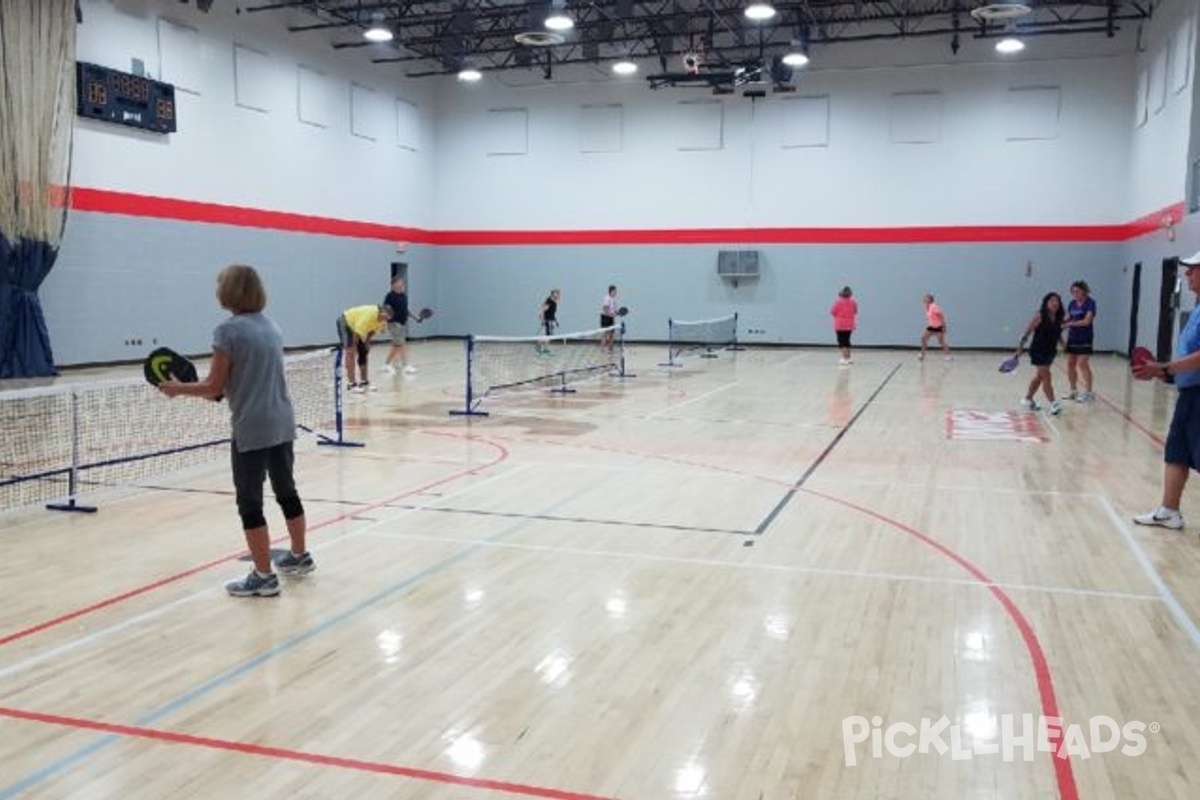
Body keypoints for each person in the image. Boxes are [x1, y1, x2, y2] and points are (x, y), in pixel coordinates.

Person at [158, 264, 314, 598]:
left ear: (229, 291)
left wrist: (178, 389)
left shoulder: (226, 332)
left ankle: (263, 576)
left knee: (250, 502)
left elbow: (214, 384)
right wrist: (217, 390)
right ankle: (299, 556)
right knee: (286, 490)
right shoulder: (272, 327)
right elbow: (237, 382)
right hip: (283, 421)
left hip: (252, 427)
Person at [1133, 252, 1200, 530]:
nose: (1187, 275)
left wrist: (1166, 367)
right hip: (1189, 393)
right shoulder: (1197, 308)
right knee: (1176, 453)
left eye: (1192, 270)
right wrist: (1166, 374)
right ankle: (1169, 511)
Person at [1016, 291, 1065, 415]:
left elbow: (1058, 334)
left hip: (1050, 351)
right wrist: (1019, 349)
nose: (1054, 303)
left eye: (1057, 300)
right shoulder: (1040, 316)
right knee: (1047, 376)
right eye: (1051, 300)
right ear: (1046, 303)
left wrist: (1064, 345)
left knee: (1039, 377)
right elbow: (1026, 333)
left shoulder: (1059, 317)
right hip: (1038, 350)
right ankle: (1053, 403)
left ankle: (1027, 398)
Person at [337, 303, 392, 393]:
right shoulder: (369, 316)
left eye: (387, 319)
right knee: (350, 353)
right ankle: (351, 384)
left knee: (363, 353)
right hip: (346, 322)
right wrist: (353, 348)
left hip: (356, 328)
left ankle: (364, 382)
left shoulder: (383, 321)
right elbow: (356, 334)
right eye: (384, 317)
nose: (385, 320)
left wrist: (367, 341)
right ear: (380, 312)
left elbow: (373, 330)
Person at [1063, 280, 1097, 402]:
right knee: (1070, 364)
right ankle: (1073, 391)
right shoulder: (1072, 303)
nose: (1074, 294)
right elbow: (1067, 318)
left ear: (1084, 291)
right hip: (1072, 338)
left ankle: (1089, 393)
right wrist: (1059, 323)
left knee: (1082, 363)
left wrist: (1070, 324)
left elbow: (1087, 321)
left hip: (1085, 337)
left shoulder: (1090, 303)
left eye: (1077, 291)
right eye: (1073, 292)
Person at [381, 276, 417, 376]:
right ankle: (406, 366)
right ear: (393, 285)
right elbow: (385, 310)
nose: (401, 286)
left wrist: (415, 317)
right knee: (401, 344)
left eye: (402, 284)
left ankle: (386, 364)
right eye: (399, 284)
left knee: (396, 345)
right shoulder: (389, 296)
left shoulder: (404, 296)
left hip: (402, 323)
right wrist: (384, 324)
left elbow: (406, 310)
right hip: (393, 324)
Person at [918, 293, 951, 361]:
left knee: (941, 342)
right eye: (924, 298)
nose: (924, 299)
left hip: (938, 327)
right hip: (931, 327)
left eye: (926, 298)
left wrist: (944, 327)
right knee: (923, 338)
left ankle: (948, 356)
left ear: (930, 299)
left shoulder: (934, 306)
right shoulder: (928, 307)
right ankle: (922, 355)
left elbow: (941, 316)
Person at [830, 286, 857, 366]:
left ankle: (844, 358)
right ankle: (849, 358)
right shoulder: (853, 302)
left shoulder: (837, 302)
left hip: (840, 325)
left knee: (842, 341)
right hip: (849, 325)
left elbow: (832, 312)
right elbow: (855, 311)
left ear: (841, 294)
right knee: (847, 340)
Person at [600, 285, 619, 352]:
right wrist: (610, 314)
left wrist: (617, 313)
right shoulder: (607, 298)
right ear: (611, 291)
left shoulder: (614, 299)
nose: (616, 292)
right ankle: (603, 349)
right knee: (605, 333)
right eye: (614, 291)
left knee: (612, 333)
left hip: (611, 318)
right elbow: (605, 308)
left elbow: (615, 310)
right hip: (605, 317)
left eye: (616, 291)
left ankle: (610, 348)